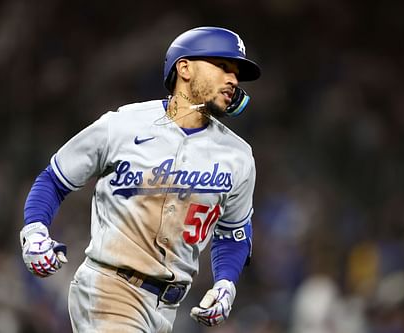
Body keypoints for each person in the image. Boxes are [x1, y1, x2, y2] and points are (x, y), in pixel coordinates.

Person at [19, 26, 261, 332]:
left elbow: (233, 233)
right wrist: (35, 230)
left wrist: (226, 284)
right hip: (109, 288)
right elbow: (55, 179)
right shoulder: (122, 126)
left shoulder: (238, 156)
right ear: (184, 68)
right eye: (223, 67)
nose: (233, 80)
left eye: (236, 73)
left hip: (168, 308)